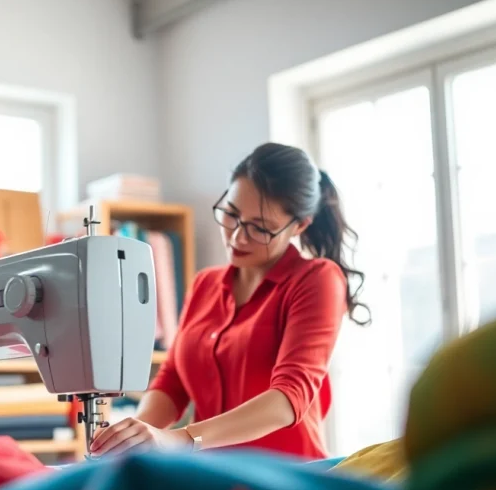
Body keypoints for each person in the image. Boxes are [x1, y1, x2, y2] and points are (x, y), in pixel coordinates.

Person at [90, 142, 369, 460]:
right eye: (231, 215)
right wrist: (132, 434)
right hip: (210, 479)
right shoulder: (206, 284)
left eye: (260, 228)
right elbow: (174, 381)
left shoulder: (317, 280)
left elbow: (287, 399)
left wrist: (179, 439)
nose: (237, 237)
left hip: (284, 481)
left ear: (300, 226)